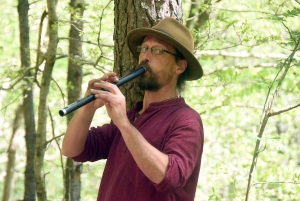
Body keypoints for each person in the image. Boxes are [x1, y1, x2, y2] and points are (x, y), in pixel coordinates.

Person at [62, 17, 204, 201]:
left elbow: (169, 177)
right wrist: (87, 108)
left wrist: (124, 124)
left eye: (157, 50)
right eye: (144, 48)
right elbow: (71, 150)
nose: (145, 56)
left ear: (180, 66)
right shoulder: (133, 117)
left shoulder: (186, 120)